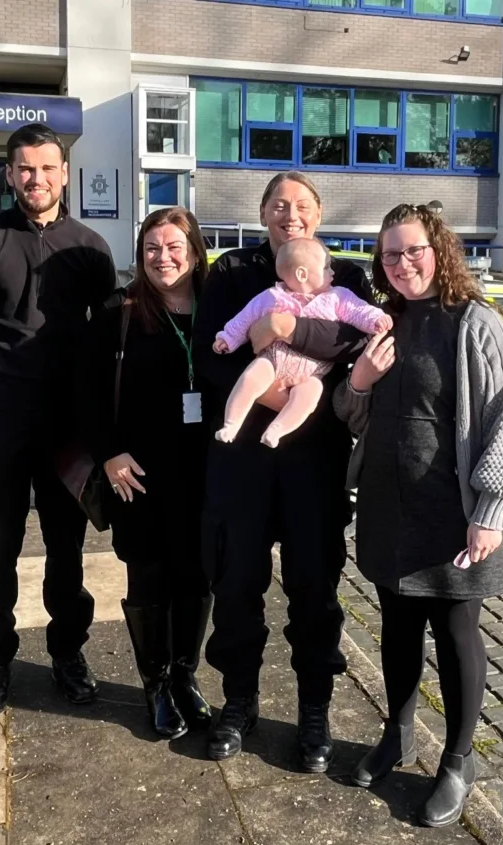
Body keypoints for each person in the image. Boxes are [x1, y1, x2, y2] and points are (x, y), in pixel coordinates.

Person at [333, 204, 503, 827]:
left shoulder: (476, 323)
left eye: (412, 250)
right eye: (390, 254)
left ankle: (458, 759)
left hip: (453, 513)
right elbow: (350, 412)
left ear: (438, 250)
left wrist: (492, 510)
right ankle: (398, 734)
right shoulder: (382, 323)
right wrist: (359, 381)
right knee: (396, 627)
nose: (402, 263)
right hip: (390, 510)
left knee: (454, 632)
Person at [0, 123, 118, 719]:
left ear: (65, 173)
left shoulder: (90, 247)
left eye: (47, 168)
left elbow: (106, 331)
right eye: (25, 169)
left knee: (67, 550)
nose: (36, 179)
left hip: (67, 427)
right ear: (10, 174)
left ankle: (68, 654)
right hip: (0, 419)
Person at [192, 172, 372, 771]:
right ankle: (239, 701)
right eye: (277, 204)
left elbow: (354, 347)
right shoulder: (233, 272)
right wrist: (268, 389)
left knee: (314, 588)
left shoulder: (345, 275)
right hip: (241, 458)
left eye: (300, 205)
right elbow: (207, 357)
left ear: (318, 214)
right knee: (236, 582)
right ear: (263, 213)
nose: (288, 214)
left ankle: (314, 711)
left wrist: (289, 330)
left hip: (314, 460)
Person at [80, 206, 213, 739]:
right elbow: (86, 393)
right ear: (140, 255)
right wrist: (109, 453)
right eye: (153, 248)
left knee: (197, 578)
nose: (164, 257)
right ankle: (154, 683)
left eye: (175, 246)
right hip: (138, 475)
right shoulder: (120, 309)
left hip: (204, 473)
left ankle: (185, 675)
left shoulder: (219, 308)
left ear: (196, 250)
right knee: (150, 578)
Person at [212, 238, 391, 448]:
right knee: (251, 378)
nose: (333, 272)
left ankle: (277, 430)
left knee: (310, 394)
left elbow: (358, 310)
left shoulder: (338, 297)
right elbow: (245, 318)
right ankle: (231, 423)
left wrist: (375, 319)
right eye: (326, 267)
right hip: (273, 359)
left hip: (312, 372)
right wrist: (228, 337)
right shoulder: (273, 296)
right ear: (302, 274)